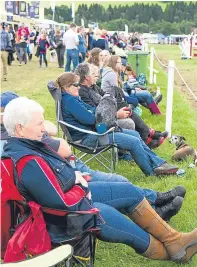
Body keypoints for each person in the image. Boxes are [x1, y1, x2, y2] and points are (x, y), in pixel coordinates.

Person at [3, 97, 197, 264]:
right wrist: (80, 185)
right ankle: (173, 252)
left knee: (127, 190)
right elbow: (62, 203)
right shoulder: (28, 162)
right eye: (39, 123)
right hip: (65, 220)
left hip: (72, 201)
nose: (44, 128)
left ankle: (174, 240)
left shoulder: (27, 145)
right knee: (108, 216)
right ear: (20, 128)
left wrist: (77, 181)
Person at [0, 91, 186, 222]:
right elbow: (70, 142)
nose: (77, 87)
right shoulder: (18, 141)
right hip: (87, 143)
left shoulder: (30, 133)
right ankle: (156, 200)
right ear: (16, 121)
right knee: (121, 175)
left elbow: (55, 128)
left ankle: (156, 198)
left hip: (73, 165)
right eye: (74, 85)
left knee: (133, 136)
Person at [57, 72, 179, 176]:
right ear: (66, 87)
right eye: (76, 85)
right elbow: (90, 119)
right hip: (87, 138)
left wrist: (95, 113)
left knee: (135, 134)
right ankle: (152, 172)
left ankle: (159, 163)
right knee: (133, 142)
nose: (79, 87)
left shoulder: (72, 98)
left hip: (97, 132)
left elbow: (94, 111)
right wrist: (95, 113)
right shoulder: (69, 101)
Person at [75, 63, 168, 149]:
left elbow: (108, 94)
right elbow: (95, 111)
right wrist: (115, 113)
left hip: (111, 109)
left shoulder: (93, 86)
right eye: (94, 75)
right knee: (138, 100)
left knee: (133, 103)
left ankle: (149, 132)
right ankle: (148, 134)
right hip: (104, 121)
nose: (97, 77)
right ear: (87, 77)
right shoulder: (84, 91)